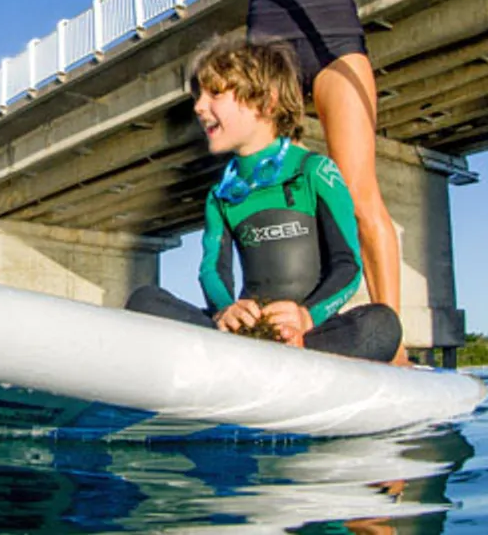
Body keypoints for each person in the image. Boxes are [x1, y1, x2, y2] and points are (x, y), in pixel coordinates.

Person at [155, 0, 406, 362]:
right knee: (275, 189)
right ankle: (275, 324)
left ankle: (394, 346)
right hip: (270, 56)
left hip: (336, 44)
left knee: (359, 191)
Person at [126, 38, 402, 363]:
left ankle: (295, 351)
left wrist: (306, 317)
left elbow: (347, 266)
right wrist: (225, 312)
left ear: (266, 104)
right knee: (143, 301)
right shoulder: (221, 194)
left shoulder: (315, 171)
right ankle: (235, 351)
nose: (199, 107)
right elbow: (213, 271)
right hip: (245, 334)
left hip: (311, 334)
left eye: (215, 93)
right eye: (198, 96)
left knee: (383, 323)